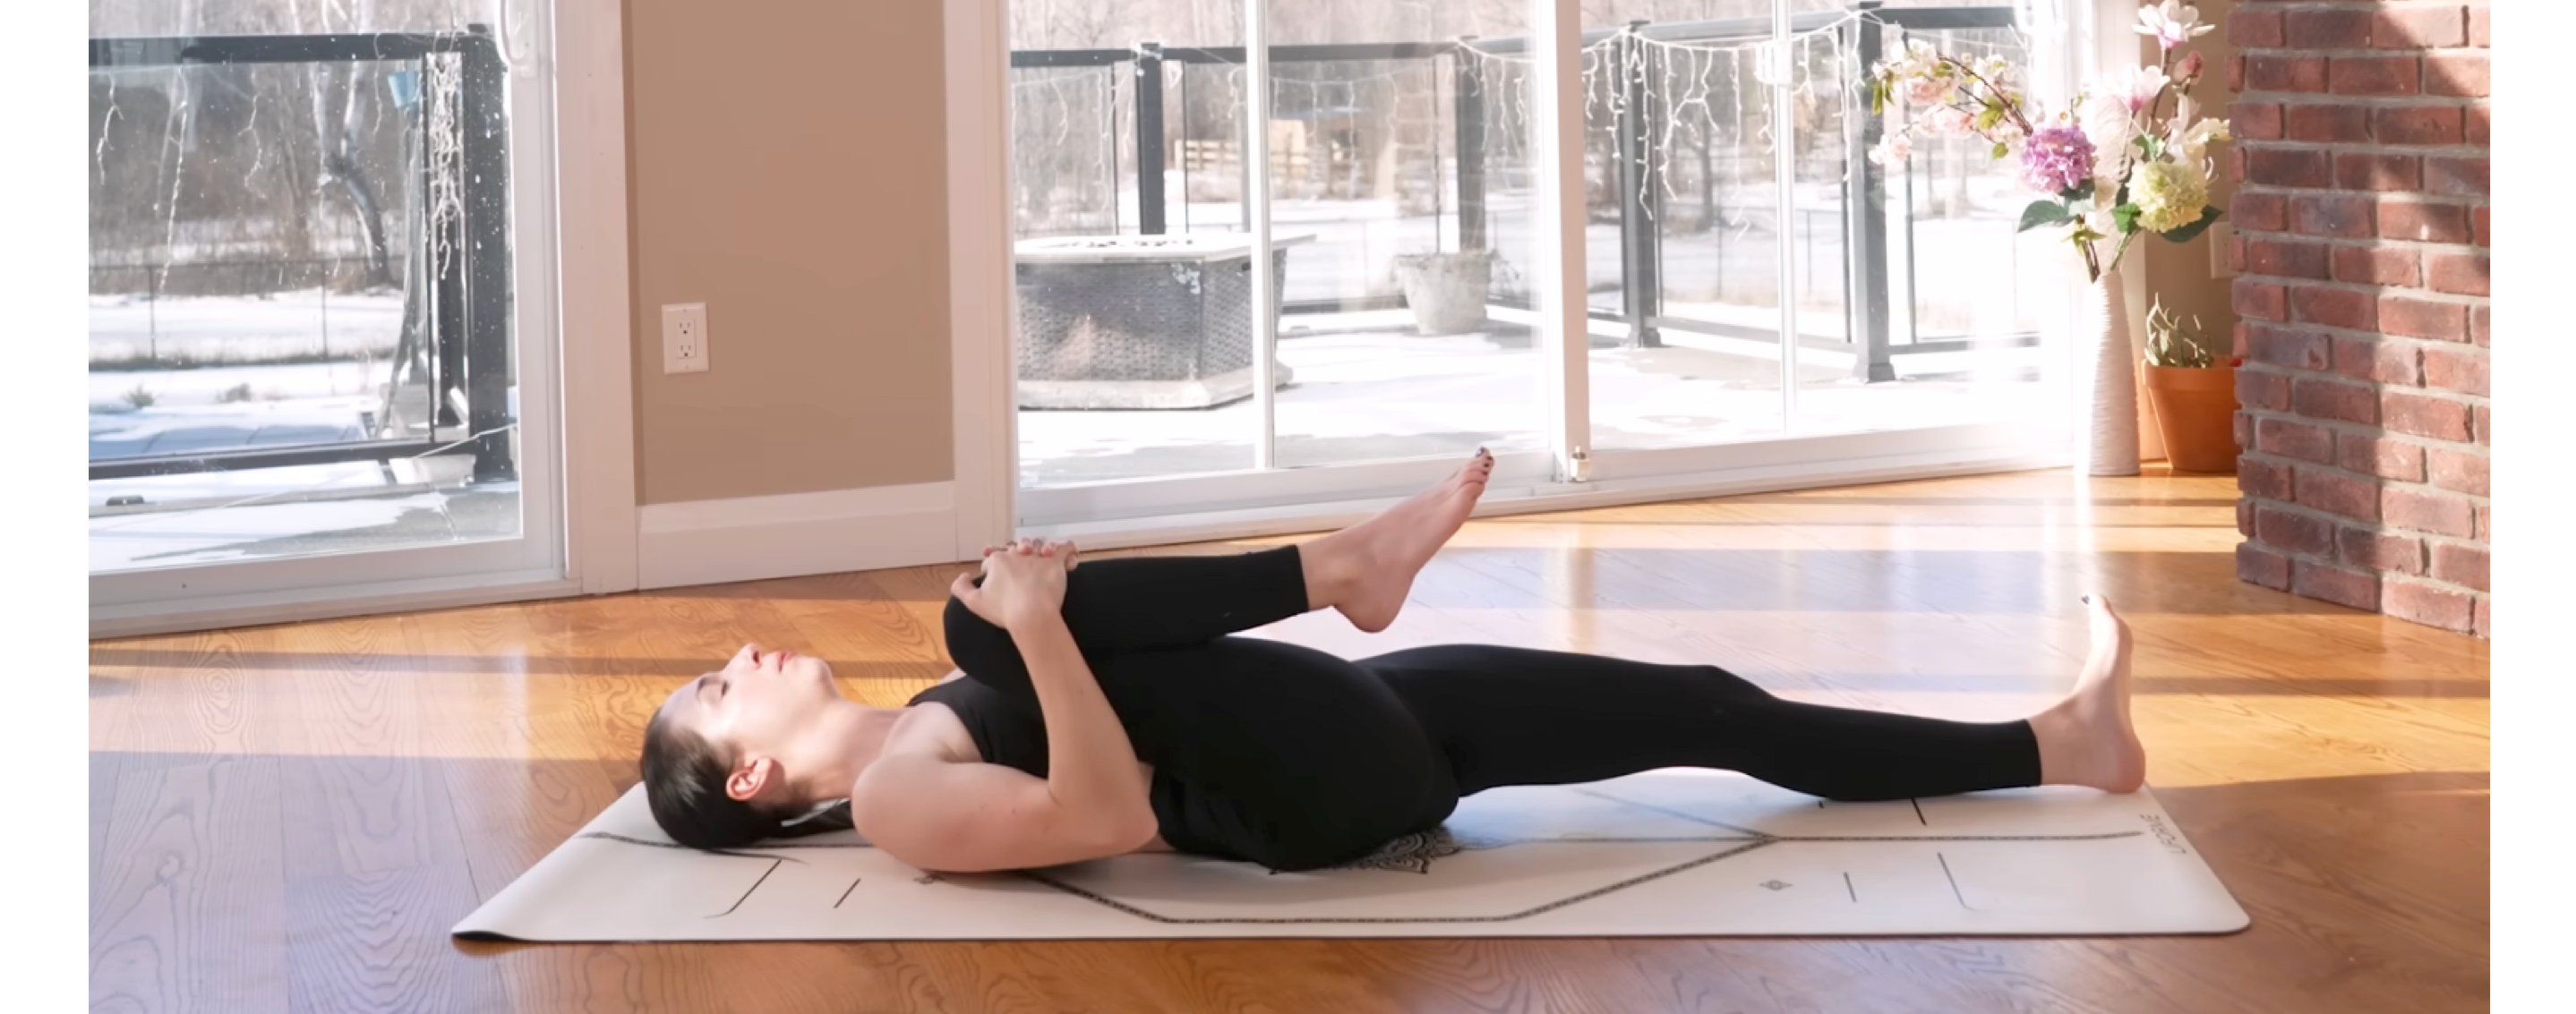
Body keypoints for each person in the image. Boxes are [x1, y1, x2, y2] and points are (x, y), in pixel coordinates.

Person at [641, 452, 2145, 873]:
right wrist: (1028, 629)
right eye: (720, 690)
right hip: (1307, 795)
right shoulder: (904, 795)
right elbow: (1102, 819)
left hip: (1362, 720)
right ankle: (1341, 571)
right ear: (757, 774)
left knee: (1703, 709)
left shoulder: (930, 720)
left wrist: (1035, 636)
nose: (743, 656)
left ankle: (2056, 746)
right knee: (977, 614)